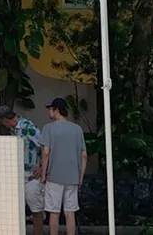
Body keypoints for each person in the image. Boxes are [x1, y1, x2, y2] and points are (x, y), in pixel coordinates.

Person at [40, 97, 87, 235]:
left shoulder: (48, 128)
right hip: (72, 178)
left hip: (54, 177)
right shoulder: (77, 129)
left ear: (56, 110)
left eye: (50, 109)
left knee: (54, 213)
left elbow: (46, 152)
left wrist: (43, 174)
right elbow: (84, 155)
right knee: (69, 212)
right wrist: (80, 177)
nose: (49, 111)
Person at [0, 106, 46, 235]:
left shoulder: (28, 127)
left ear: (6, 120)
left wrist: (42, 167)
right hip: (19, 176)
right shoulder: (14, 130)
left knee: (36, 210)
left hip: (31, 177)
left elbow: (45, 146)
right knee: (17, 211)